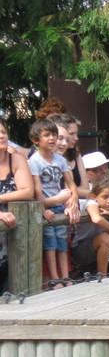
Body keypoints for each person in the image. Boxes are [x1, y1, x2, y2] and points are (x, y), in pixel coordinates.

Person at [28, 119, 80, 289]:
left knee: (62, 241)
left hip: (59, 206)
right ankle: (55, 278)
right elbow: (36, 190)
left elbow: (70, 183)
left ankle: (66, 276)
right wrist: (42, 209)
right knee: (50, 242)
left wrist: (73, 198)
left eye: (54, 135)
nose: (52, 139)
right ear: (36, 140)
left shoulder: (60, 160)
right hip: (46, 206)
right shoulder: (34, 162)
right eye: (47, 135)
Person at [0, 118, 35, 292]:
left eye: (4, 132)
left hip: (15, 234)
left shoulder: (17, 159)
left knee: (14, 291)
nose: (2, 136)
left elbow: (27, 191)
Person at [49, 114, 89, 198]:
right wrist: (97, 194)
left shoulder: (75, 154)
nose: (76, 138)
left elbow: (86, 188)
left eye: (76, 133)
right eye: (72, 134)